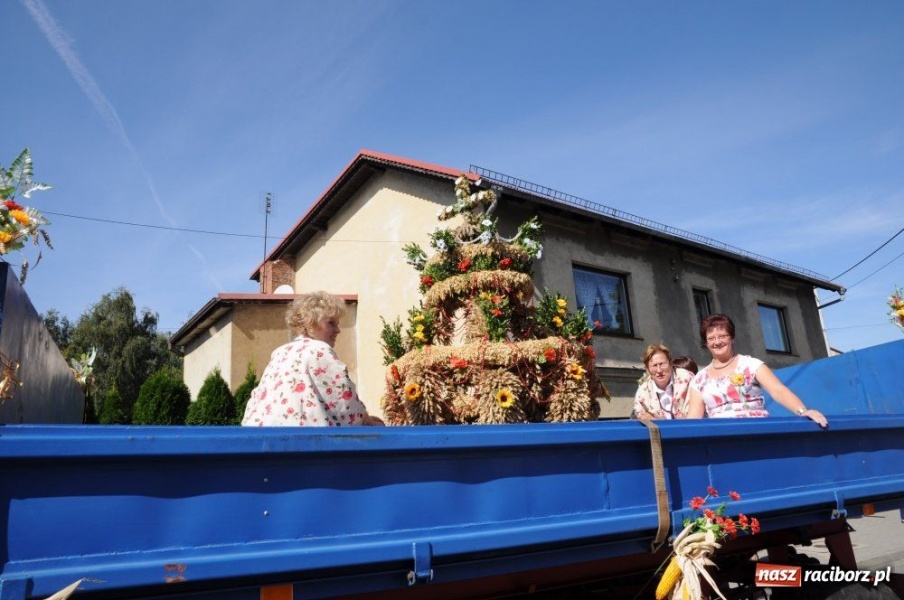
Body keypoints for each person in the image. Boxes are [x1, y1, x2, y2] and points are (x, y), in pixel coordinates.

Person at [242, 291, 384, 427]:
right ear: (310, 322)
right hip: (304, 439)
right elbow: (343, 398)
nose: (338, 330)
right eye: (331, 323)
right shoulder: (320, 350)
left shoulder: (279, 352)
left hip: (262, 435)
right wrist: (369, 422)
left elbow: (257, 399)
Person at [686, 314, 828, 427]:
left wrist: (803, 411)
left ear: (732, 338)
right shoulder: (699, 380)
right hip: (720, 438)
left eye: (722, 336)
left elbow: (778, 390)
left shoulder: (751, 365)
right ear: (706, 343)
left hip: (756, 430)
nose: (717, 342)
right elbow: (694, 419)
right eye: (711, 338)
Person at [633, 343, 695, 420]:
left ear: (671, 364)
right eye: (654, 365)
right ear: (647, 369)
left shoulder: (688, 379)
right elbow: (641, 418)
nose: (659, 370)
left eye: (662, 364)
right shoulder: (642, 393)